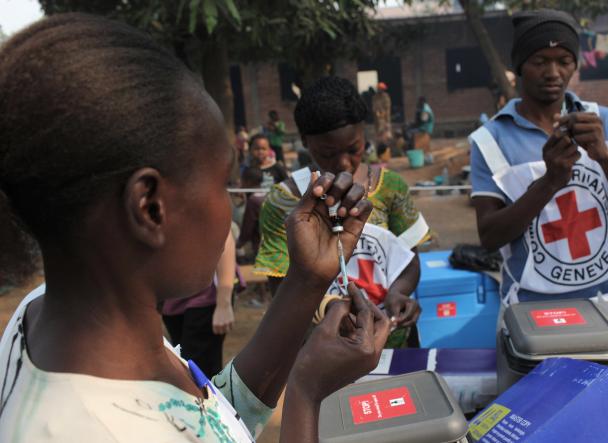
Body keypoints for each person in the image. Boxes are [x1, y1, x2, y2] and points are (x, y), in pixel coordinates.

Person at [0, 14, 389, 443]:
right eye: (222, 184)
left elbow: (211, 420)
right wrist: (306, 391)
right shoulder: (82, 431)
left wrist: (305, 280)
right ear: (150, 207)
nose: (228, 210)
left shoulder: (62, 315)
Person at [469, 9, 608, 305]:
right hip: (531, 305)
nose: (553, 72)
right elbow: (490, 236)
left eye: (564, 61)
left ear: (574, 65)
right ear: (519, 66)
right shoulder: (490, 139)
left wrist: (604, 156)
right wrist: (550, 181)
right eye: (539, 61)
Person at [255, 76, 430, 344]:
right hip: (321, 349)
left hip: (391, 343)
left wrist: (398, 293)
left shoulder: (389, 186)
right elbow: (280, 287)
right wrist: (328, 310)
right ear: (304, 141)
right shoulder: (284, 202)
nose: (344, 163)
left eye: (354, 149)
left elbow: (409, 260)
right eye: (327, 153)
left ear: (364, 134)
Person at [162, 231, 236, 377]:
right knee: (183, 364)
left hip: (205, 298)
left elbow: (223, 236)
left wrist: (224, 303)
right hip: (171, 299)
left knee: (199, 372)